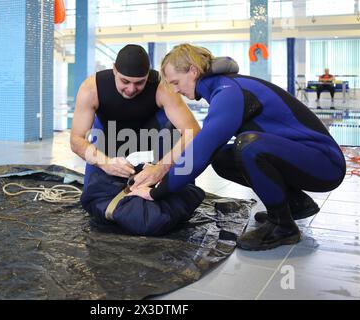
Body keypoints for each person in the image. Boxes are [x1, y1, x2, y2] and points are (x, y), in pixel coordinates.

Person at [129, 44, 346, 250]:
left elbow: (200, 152)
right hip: (304, 157)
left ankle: (283, 227)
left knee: (249, 146)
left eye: (176, 82)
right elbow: (208, 149)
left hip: (325, 164)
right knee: (223, 157)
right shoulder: (223, 87)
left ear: (193, 71)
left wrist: (158, 192)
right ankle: (294, 203)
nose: (175, 90)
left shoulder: (228, 91)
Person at [71, 44, 204, 235]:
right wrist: (105, 163)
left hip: (151, 138)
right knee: (94, 198)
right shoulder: (92, 88)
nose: (131, 89)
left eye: (139, 83)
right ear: (114, 70)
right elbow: (76, 139)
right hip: (110, 139)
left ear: (148, 77)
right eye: (125, 81)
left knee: (172, 129)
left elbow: (192, 131)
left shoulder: (161, 86)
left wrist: (162, 166)